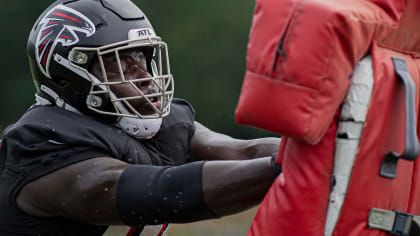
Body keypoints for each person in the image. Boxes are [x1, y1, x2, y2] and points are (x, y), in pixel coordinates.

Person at [0, 0, 281, 235]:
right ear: (66, 78)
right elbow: (163, 193)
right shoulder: (44, 147)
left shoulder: (161, 126)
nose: (146, 77)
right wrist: (279, 168)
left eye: (142, 58)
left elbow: (245, 152)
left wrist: (314, 150)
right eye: (119, 64)